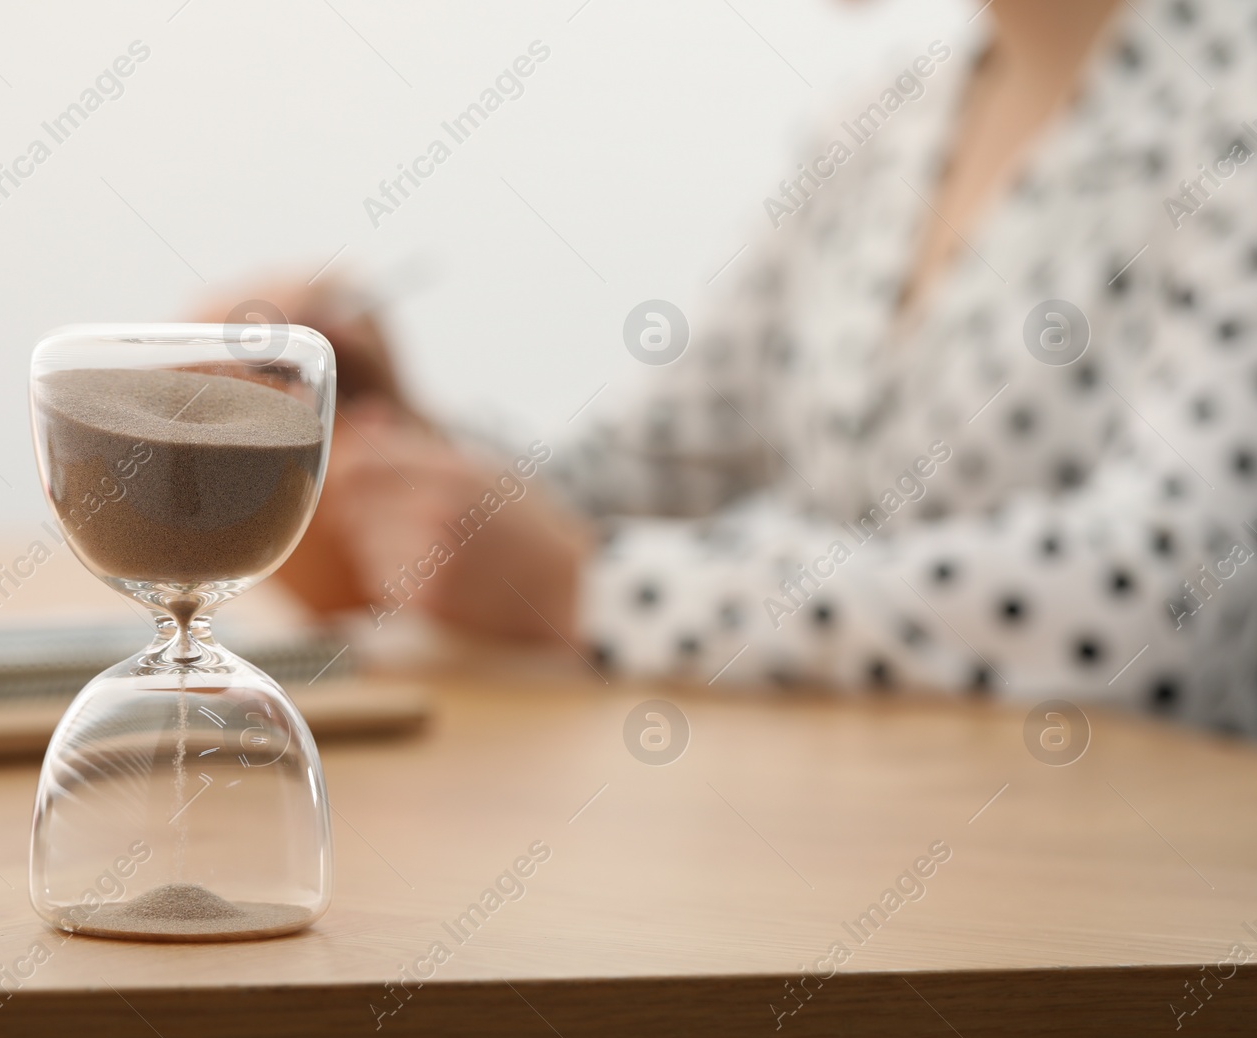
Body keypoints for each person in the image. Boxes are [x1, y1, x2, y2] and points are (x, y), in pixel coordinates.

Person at [206, 0, 1257, 733]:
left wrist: (593, 593)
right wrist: (391, 426)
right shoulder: (886, 125)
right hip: (889, 863)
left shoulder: (1230, 110)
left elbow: (1159, 615)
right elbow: (642, 469)